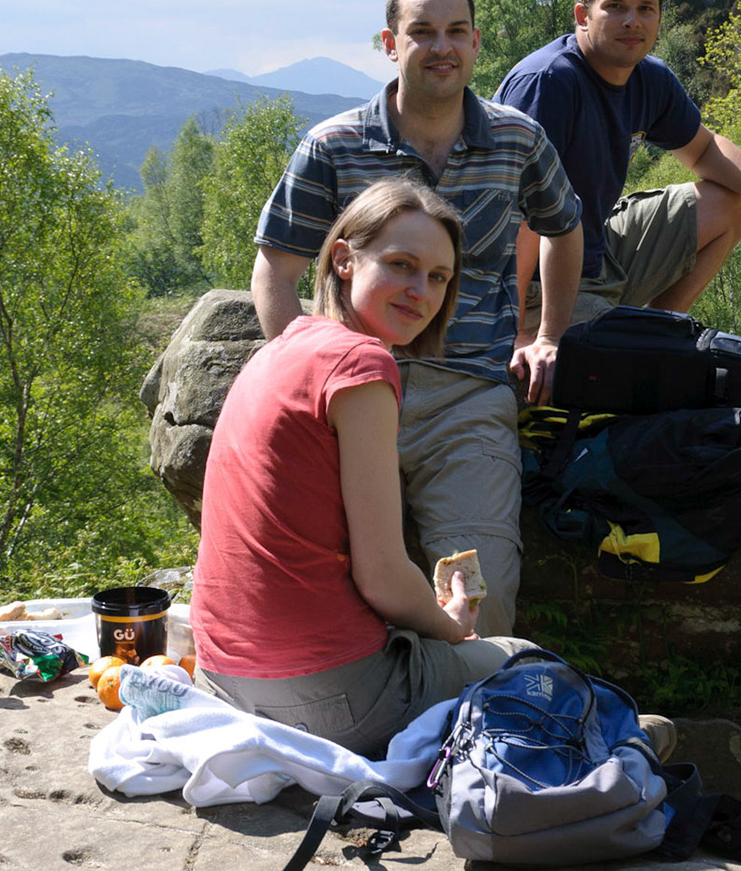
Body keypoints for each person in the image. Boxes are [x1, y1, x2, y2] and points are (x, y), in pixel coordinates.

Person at [250, 0, 584, 636]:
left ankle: (472, 726)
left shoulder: (517, 140)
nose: (442, 47)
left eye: (456, 31)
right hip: (347, 396)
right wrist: (302, 376)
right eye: (422, 31)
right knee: (316, 588)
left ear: (476, 43)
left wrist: (546, 332)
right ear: (389, 42)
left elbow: (564, 227)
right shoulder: (333, 146)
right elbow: (276, 269)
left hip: (466, 398)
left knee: (483, 595)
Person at [195, 180, 535, 754]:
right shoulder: (361, 364)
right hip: (327, 696)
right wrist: (454, 625)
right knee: (522, 661)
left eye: (438, 277)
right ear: (344, 260)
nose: (420, 292)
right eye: (401, 265)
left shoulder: (279, 349)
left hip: (223, 679)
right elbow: (380, 576)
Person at [495, 0, 741, 336]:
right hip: (531, 279)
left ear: (659, 18)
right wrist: (513, 333)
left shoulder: (650, 79)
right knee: (595, 380)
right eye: (616, 7)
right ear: (582, 16)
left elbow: (705, 149)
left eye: (646, 9)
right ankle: (599, 339)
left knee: (727, 205)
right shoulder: (549, 83)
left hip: (595, 247)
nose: (632, 21)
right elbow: (510, 219)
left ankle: (656, 333)